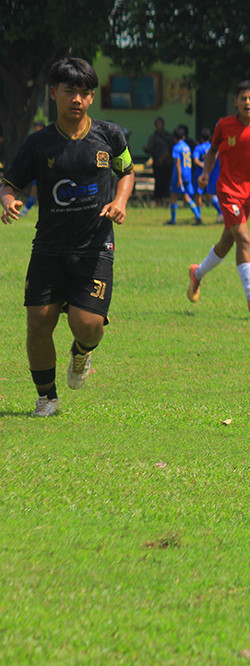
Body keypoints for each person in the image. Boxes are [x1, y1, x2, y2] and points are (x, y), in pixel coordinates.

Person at [0, 57, 135, 417]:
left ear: (92, 98)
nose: (77, 99)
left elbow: (127, 172)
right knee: (39, 320)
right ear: (53, 93)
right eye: (69, 91)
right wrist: (9, 200)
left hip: (95, 246)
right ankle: (47, 397)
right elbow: (10, 182)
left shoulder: (110, 135)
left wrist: (120, 201)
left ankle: (81, 351)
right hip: (49, 247)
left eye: (84, 93)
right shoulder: (38, 143)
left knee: (87, 325)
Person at [187, 80, 250, 313]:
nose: (247, 102)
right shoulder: (224, 125)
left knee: (227, 243)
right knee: (244, 239)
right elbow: (213, 150)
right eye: (242, 98)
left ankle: (197, 274)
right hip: (227, 189)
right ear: (236, 101)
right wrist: (206, 173)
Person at [166, 126, 202, 225]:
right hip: (188, 174)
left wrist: (179, 178)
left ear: (174, 137)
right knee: (186, 195)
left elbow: (178, 162)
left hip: (179, 175)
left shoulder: (176, 147)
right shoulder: (187, 146)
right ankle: (198, 215)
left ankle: (173, 219)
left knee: (174, 196)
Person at [192, 127, 223, 223]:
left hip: (201, 175)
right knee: (212, 195)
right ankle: (221, 212)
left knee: (199, 195)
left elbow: (196, 160)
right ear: (209, 137)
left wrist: (204, 166)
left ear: (200, 138)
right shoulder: (212, 147)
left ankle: (198, 216)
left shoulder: (199, 148)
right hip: (213, 174)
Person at [144, 117, 172, 202]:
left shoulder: (168, 136)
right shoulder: (153, 137)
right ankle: (158, 200)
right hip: (157, 164)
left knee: (166, 182)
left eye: (161, 124)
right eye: (158, 124)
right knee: (158, 182)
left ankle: (165, 199)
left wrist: (164, 157)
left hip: (167, 163)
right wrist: (146, 149)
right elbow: (151, 150)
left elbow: (170, 149)